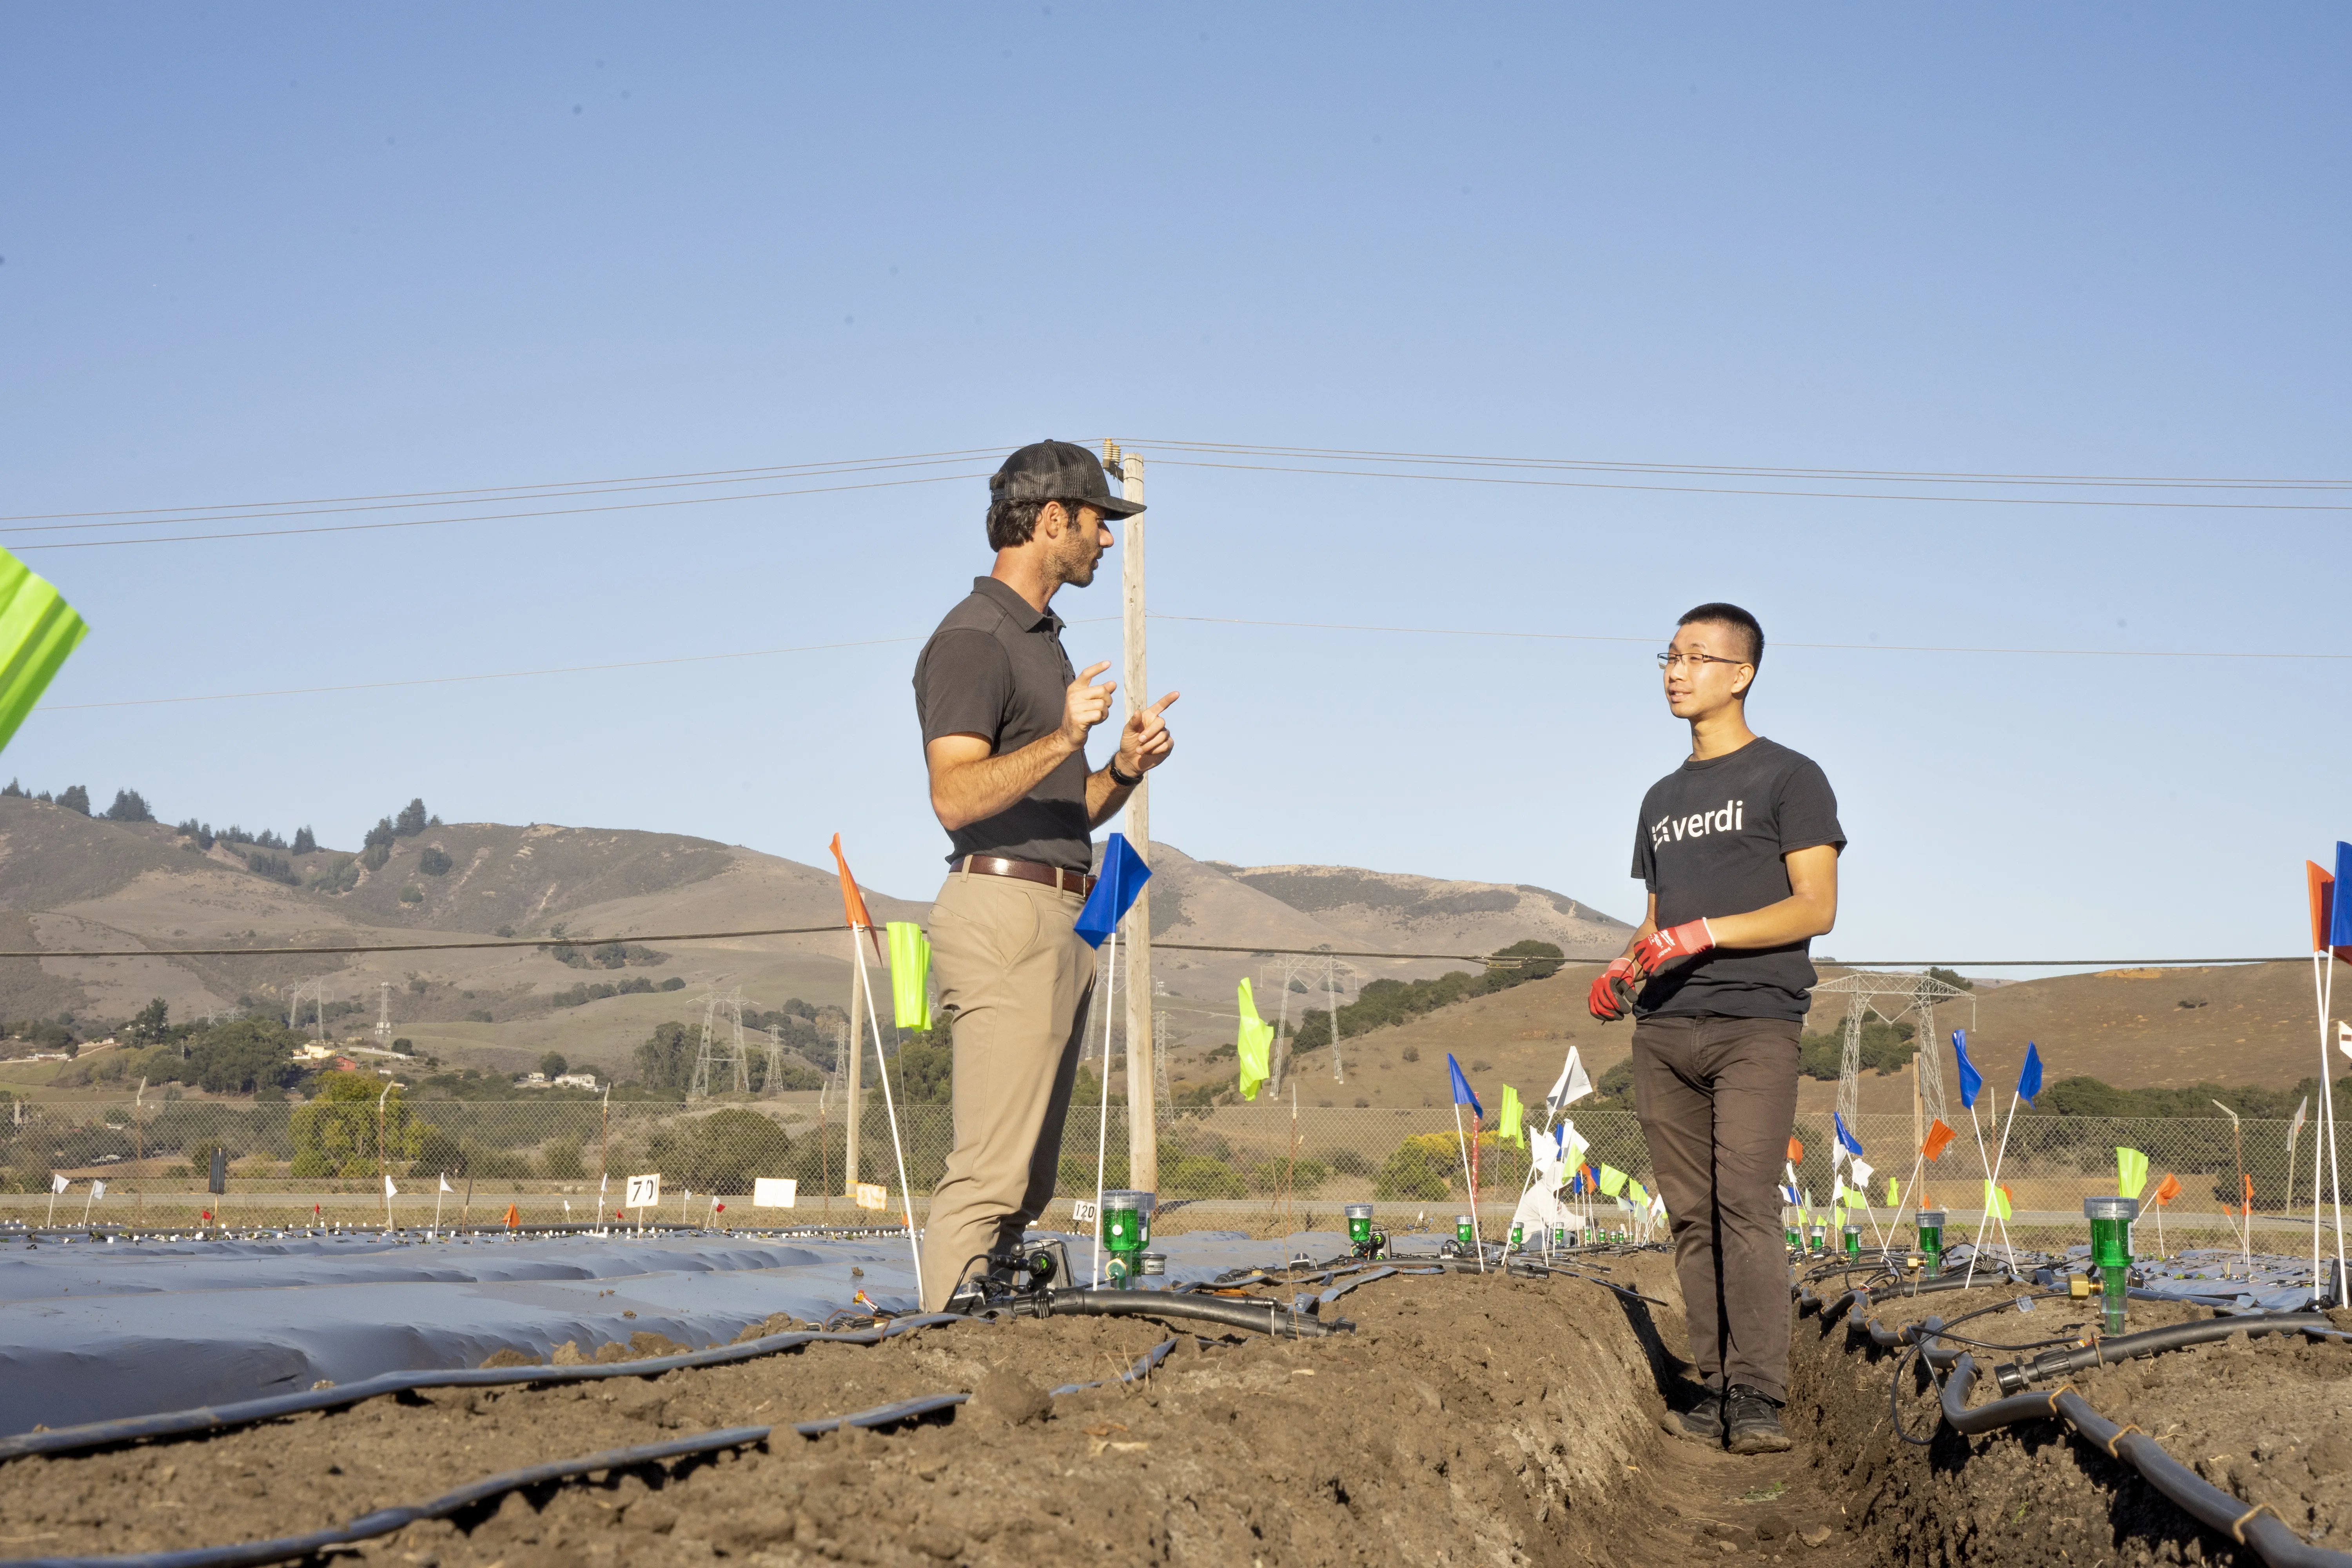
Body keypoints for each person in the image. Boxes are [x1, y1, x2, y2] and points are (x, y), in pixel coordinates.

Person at [910, 440, 1178, 1311]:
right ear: (1052, 518)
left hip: (1063, 909)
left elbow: (1069, 809)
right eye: (1100, 521)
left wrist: (1123, 769)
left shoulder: (1044, 644)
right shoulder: (973, 639)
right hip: (1003, 913)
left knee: (1025, 1184)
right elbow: (954, 796)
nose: (1107, 540)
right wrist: (1064, 739)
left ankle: (993, 1345)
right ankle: (939, 1361)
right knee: (990, 1174)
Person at [1587, 601, 1843, 1455]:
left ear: (1742, 674)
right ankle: (1713, 1385)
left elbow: (1817, 905)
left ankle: (1760, 1394)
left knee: (1745, 1206)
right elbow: (1655, 917)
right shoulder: (1661, 798)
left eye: (1698, 657)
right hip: (1663, 1028)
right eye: (1669, 655)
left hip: (1754, 1021)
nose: (1676, 671)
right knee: (1692, 1214)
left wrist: (1709, 933)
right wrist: (1623, 968)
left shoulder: (1789, 778)